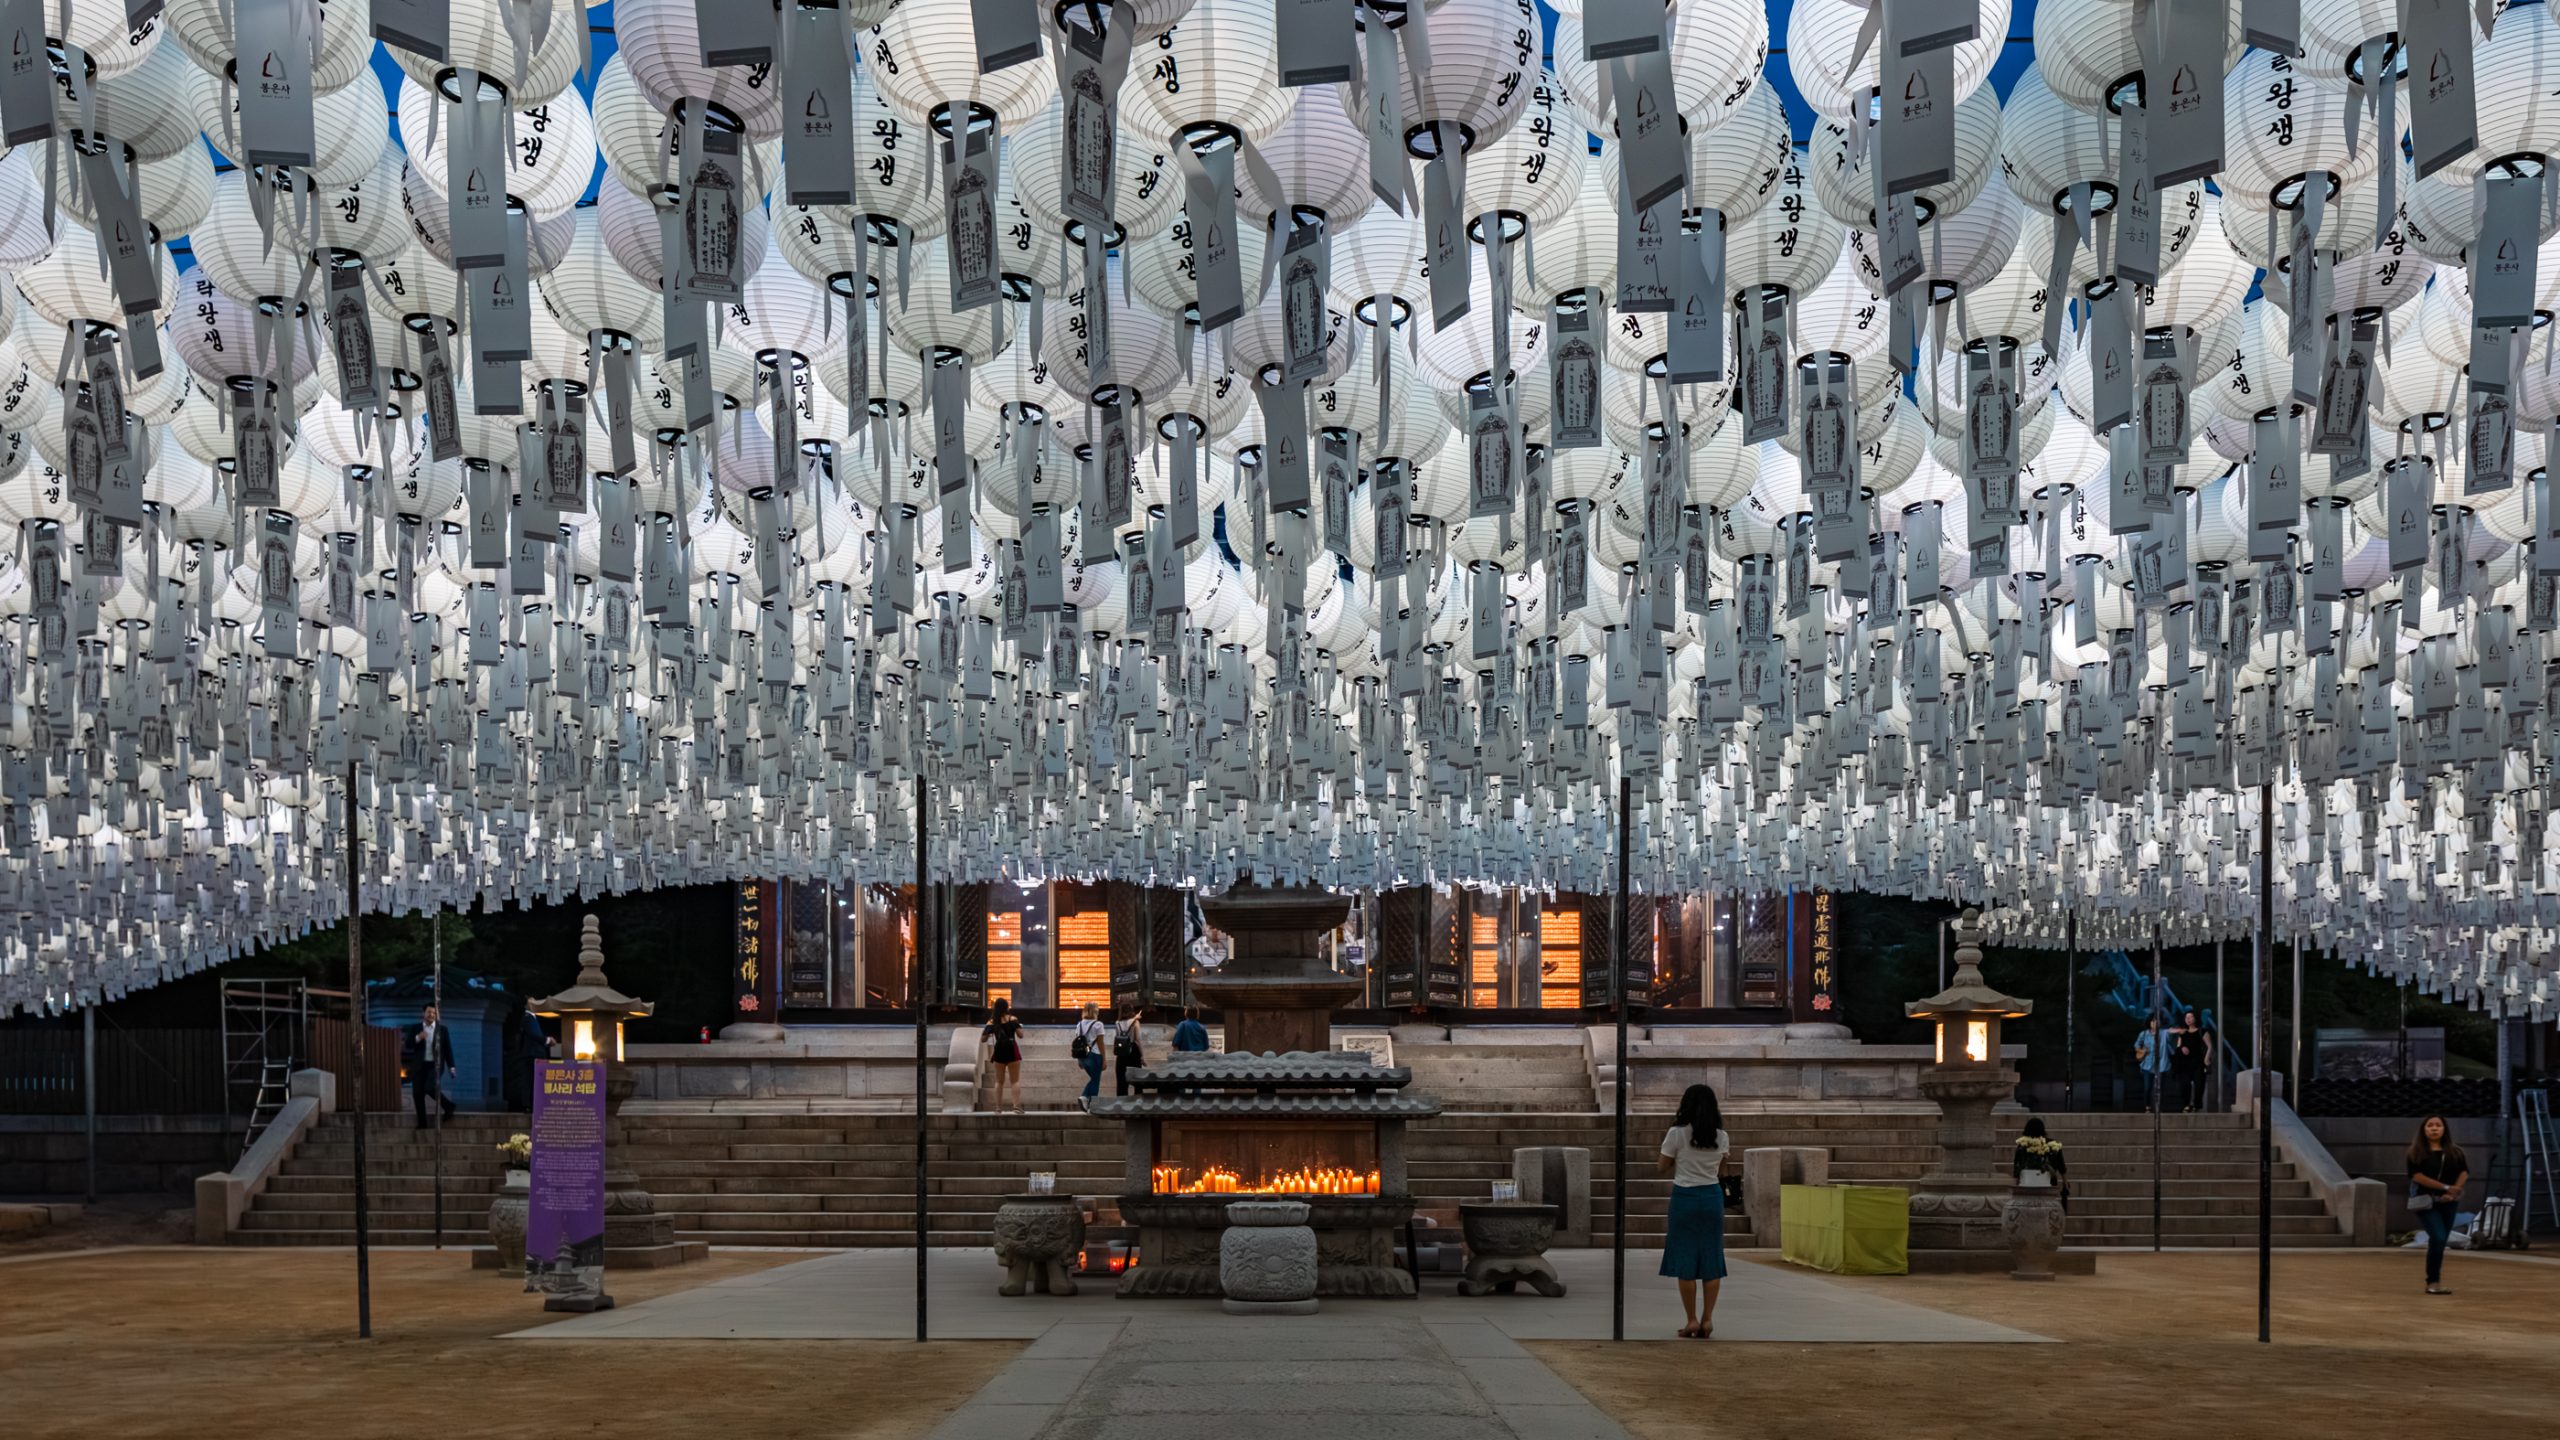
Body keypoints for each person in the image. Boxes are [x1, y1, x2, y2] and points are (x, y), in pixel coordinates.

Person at [1656, 1082, 1730, 1338]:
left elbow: (1662, 1166)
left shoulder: (1676, 1134)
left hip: (1685, 1198)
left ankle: (1691, 1320)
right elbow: (1721, 1170)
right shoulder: (1721, 1136)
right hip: (1711, 1197)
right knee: (1711, 1258)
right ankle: (1708, 1319)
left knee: (1686, 1259)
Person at [2407, 1115, 2469, 1295]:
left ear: (2444, 1129)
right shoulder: (2416, 1152)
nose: (2434, 1128)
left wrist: (2454, 1191)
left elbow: (2464, 1171)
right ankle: (2432, 1281)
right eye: (2430, 1125)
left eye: (2438, 1125)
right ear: (2424, 1129)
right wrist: (2445, 1187)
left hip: (2449, 1202)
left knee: (2439, 1242)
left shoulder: (2455, 1152)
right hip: (2426, 1202)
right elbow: (2417, 1176)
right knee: (2439, 1237)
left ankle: (2434, 1281)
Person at [406, 1004, 457, 1128]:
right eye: (429, 1012)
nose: (431, 1015)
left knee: (429, 1088)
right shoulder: (416, 1027)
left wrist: (452, 1066)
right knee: (417, 1094)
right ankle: (422, 1124)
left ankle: (448, 1106)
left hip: (435, 1066)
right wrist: (418, 1037)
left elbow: (448, 1049)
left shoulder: (442, 1030)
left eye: (434, 1013)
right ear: (423, 1013)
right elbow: (408, 1045)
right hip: (419, 1066)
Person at [2013, 1116, 2070, 1211]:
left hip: (2028, 1182)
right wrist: (2065, 1180)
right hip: (2049, 1182)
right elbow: (2061, 1165)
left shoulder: (2023, 1145)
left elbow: (2017, 1164)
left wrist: (2016, 1179)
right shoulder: (2052, 1144)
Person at [981, 998, 1024, 1114]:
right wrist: (1017, 1027)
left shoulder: (991, 1021)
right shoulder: (1013, 1019)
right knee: (1015, 1081)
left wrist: (991, 1035)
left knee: (999, 1081)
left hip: (999, 1051)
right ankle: (1016, 1107)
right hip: (1012, 1051)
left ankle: (998, 1108)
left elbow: (983, 1039)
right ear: (1006, 1007)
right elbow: (1021, 1035)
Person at [2169, 1008, 2213, 1112]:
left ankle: (2197, 1106)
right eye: (2186, 1017)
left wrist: (2206, 1059)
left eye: (2190, 1017)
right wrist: (2181, 1049)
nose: (2188, 1019)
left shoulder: (2202, 1031)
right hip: (2184, 1064)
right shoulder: (2183, 1033)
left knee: (2199, 1085)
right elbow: (2178, 1048)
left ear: (2195, 1018)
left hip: (2198, 1062)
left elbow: (2209, 1046)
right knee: (2184, 1084)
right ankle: (2186, 1105)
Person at [1071, 1002, 1107, 1107]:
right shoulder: (1098, 1024)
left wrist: (1079, 1060)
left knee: (1093, 1079)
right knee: (1096, 1081)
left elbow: (1078, 1043)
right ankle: (1087, 1099)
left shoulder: (1079, 1024)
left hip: (1083, 1056)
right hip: (1095, 1055)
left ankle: (1087, 1103)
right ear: (1095, 1010)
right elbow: (1100, 1044)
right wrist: (1104, 1059)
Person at [1112, 1007, 1147, 1096]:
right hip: (1133, 1051)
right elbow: (1138, 1040)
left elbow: (1117, 1039)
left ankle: (1121, 1102)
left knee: (1121, 1081)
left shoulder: (1117, 1023)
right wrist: (1142, 1056)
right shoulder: (1135, 1023)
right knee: (1137, 1079)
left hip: (1121, 1052)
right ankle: (1138, 1101)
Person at [2133, 1025, 2163, 1109]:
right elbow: (2136, 1045)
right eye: (2153, 1021)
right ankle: (2147, 1106)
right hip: (2147, 1064)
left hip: (2159, 1063)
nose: (2154, 1023)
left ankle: (2158, 1106)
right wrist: (2142, 1050)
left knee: (2159, 1087)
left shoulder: (2162, 1033)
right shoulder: (2144, 1033)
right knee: (2147, 1087)